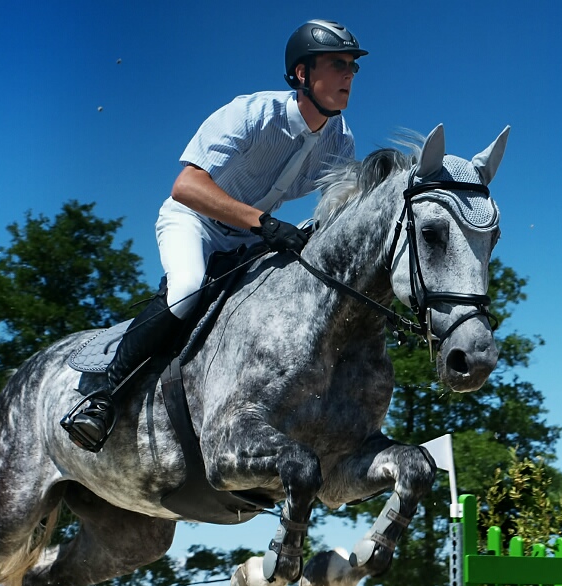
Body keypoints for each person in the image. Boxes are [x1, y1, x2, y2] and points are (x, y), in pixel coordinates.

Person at [61, 19, 368, 452]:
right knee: (186, 288)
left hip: (248, 236)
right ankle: (102, 398)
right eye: (339, 64)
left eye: (353, 67)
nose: (349, 75)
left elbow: (340, 209)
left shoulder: (340, 142)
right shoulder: (251, 113)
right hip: (193, 220)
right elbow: (185, 186)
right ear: (302, 74)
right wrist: (263, 223)